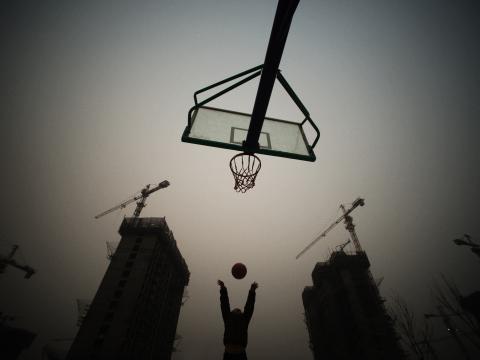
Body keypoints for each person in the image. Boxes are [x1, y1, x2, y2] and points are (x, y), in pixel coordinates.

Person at [217, 279, 258, 360]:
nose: (237, 309)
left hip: (233, 352)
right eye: (237, 309)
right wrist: (223, 288)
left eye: (238, 309)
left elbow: (249, 305)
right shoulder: (238, 318)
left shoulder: (230, 317)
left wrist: (252, 291)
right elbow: (224, 303)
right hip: (238, 352)